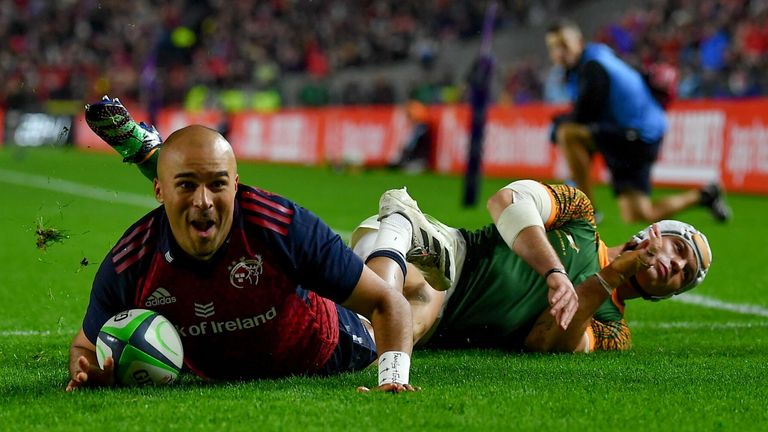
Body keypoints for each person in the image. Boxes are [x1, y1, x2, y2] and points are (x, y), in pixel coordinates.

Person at [67, 98, 418, 392]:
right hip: (215, 359)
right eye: (185, 185)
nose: (203, 202)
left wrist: (394, 377)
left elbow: (388, 304)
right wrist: (88, 370)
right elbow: (84, 346)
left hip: (320, 347)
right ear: (159, 190)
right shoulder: (132, 259)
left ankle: (394, 232)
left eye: (218, 185)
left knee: (417, 305)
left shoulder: (281, 226)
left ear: (236, 185)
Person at [351, 180, 712, 352]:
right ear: (653, 232)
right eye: (678, 249)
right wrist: (554, 271)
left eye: (683, 274)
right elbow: (507, 200)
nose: (675, 265)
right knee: (411, 278)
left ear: (668, 294)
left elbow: (543, 341)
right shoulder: (580, 214)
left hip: (441, 319)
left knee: (371, 336)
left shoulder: (614, 331)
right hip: (452, 254)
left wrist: (609, 277)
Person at [545, 19, 731, 224]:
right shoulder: (595, 59)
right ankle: (706, 195)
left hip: (635, 134)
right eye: (554, 47)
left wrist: (558, 125)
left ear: (579, 42)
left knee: (568, 134)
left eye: (563, 45)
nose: (559, 52)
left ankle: (585, 212)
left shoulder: (592, 67)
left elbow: (584, 115)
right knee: (637, 214)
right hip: (639, 132)